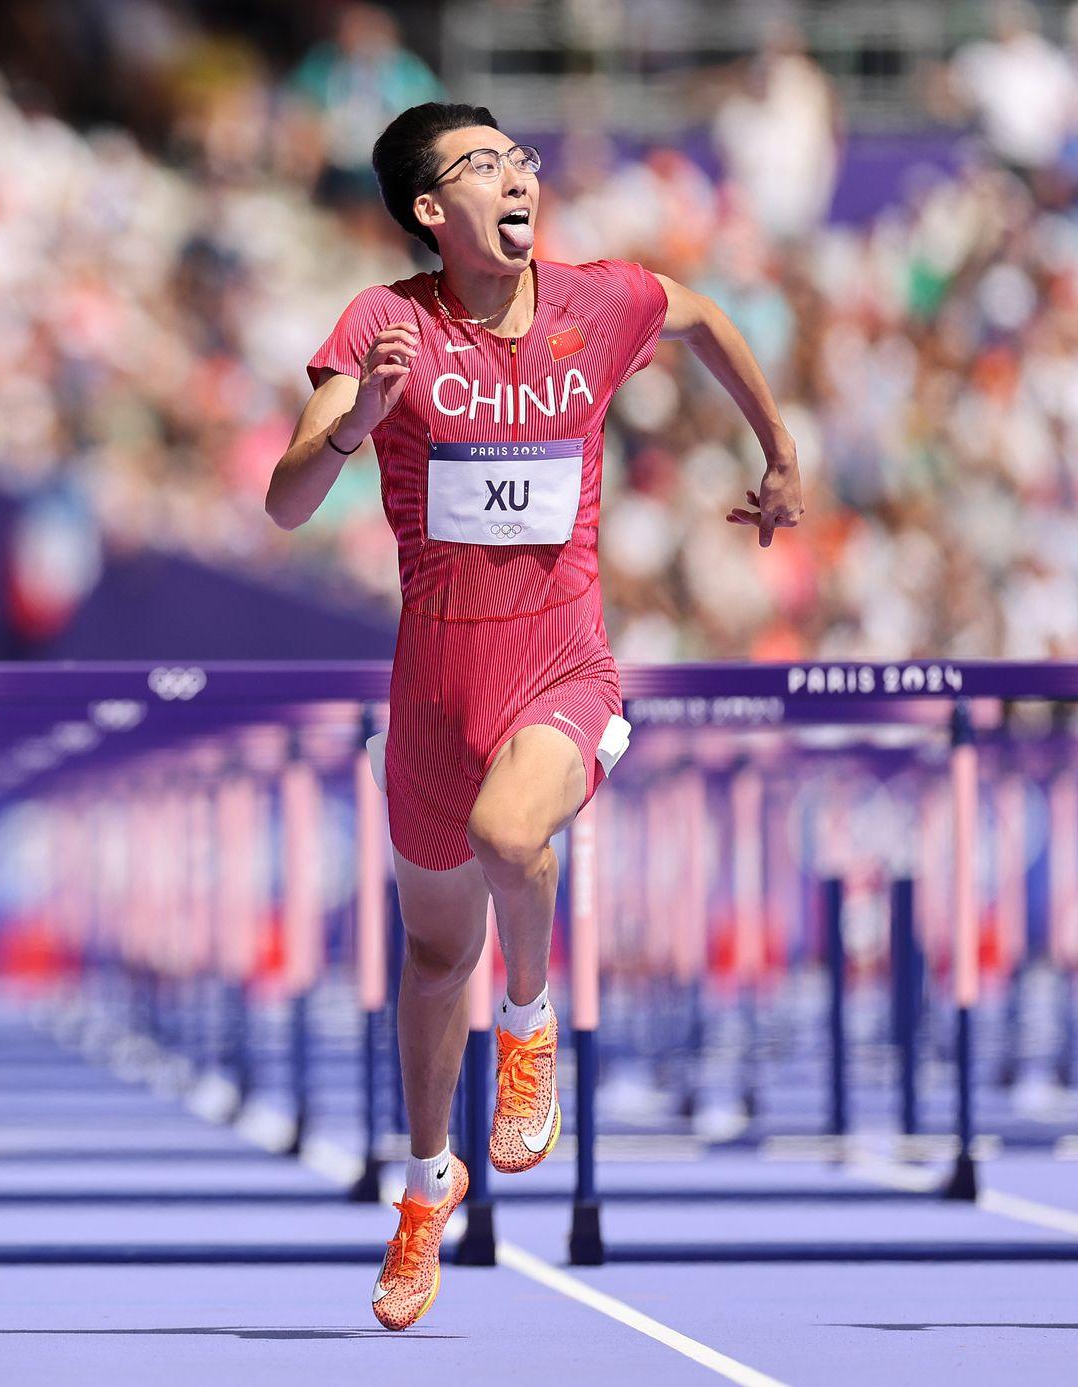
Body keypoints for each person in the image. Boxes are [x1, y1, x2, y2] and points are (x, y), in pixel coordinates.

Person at [264, 103, 801, 1331]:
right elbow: (285, 503)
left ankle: (529, 1020)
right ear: (426, 209)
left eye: (518, 158)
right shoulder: (382, 323)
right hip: (429, 699)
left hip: (561, 669)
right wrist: (353, 423)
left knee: (516, 837)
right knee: (427, 957)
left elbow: (704, 313)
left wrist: (775, 447)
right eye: (481, 165)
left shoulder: (595, 303)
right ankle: (420, 1189)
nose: (516, 176)